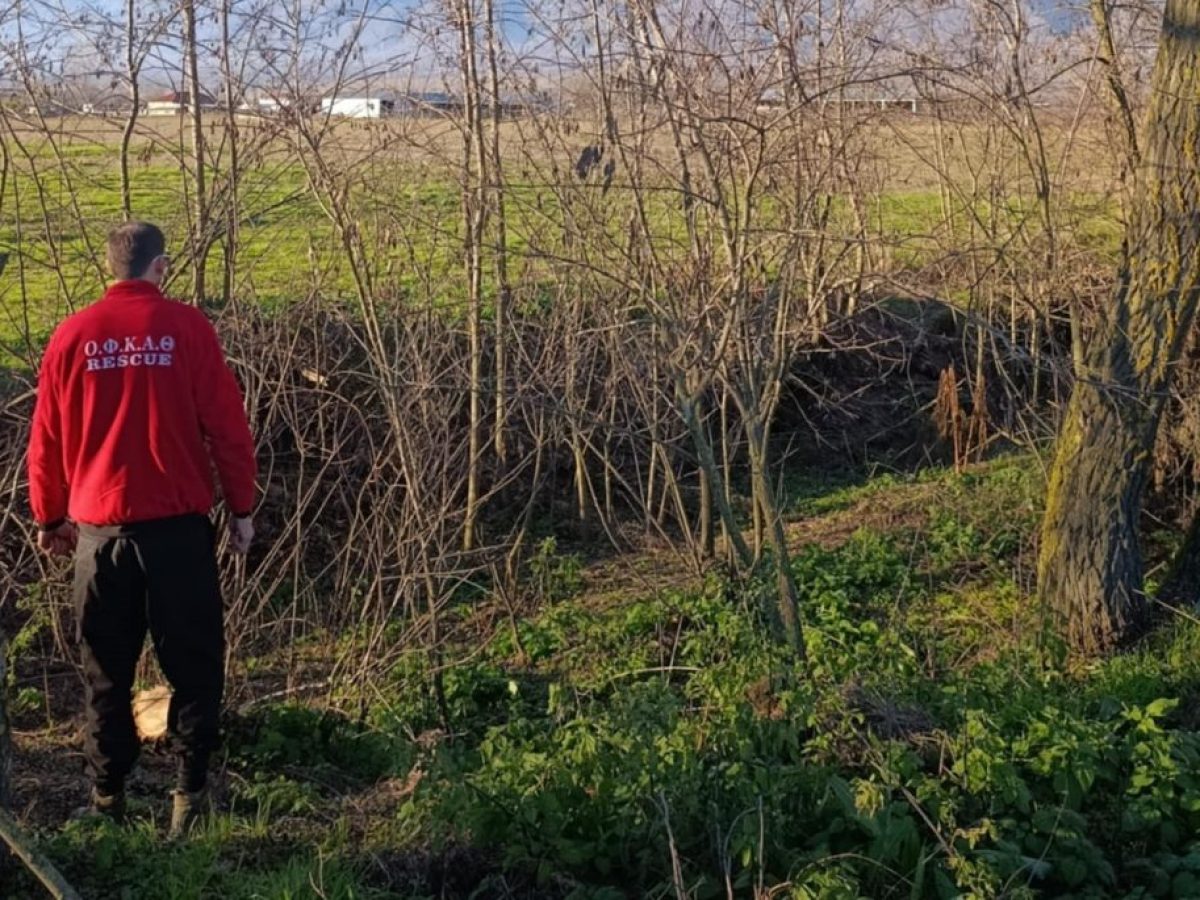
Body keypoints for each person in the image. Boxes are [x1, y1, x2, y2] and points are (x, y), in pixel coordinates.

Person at [26, 221, 257, 838]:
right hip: (178, 536)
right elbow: (228, 428)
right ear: (160, 266)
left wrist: (49, 516)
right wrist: (241, 509)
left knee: (106, 673)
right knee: (194, 666)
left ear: (111, 268)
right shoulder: (187, 329)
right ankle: (190, 795)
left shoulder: (72, 335)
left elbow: (45, 441)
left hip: (100, 536)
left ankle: (108, 800)